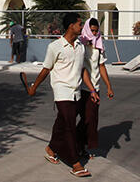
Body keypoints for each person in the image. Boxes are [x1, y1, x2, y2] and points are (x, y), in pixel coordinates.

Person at [26, 13, 98, 178]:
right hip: (61, 91)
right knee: (69, 126)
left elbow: (83, 70)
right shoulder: (55, 47)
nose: (82, 27)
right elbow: (46, 69)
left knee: (62, 123)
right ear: (71, 26)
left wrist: (92, 90)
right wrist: (34, 87)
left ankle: (51, 149)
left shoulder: (80, 46)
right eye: (80, 24)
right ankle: (75, 163)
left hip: (76, 92)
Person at [77, 18, 114, 158]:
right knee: (85, 119)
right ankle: (75, 145)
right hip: (82, 87)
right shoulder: (80, 44)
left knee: (91, 120)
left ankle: (81, 146)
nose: (93, 33)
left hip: (95, 87)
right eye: (91, 30)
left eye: (96, 30)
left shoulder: (99, 45)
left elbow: (101, 66)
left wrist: (109, 86)